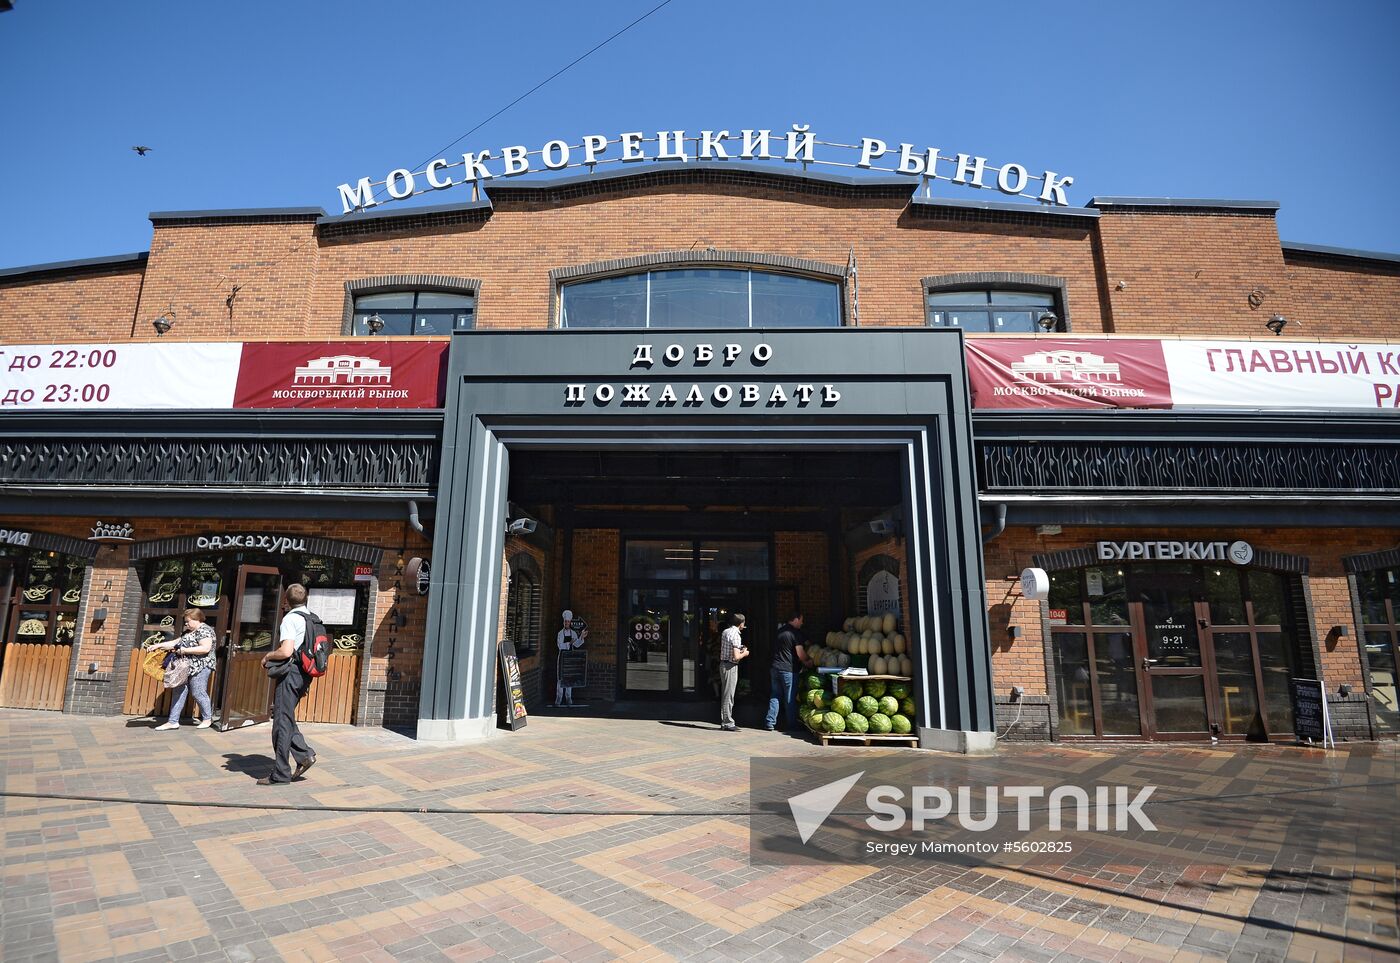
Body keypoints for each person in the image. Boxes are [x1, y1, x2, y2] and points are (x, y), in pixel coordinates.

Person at [257, 584, 317, 785]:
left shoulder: (291, 619)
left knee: (281, 724)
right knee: (286, 716)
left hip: (290, 674)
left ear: (286, 600)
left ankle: (281, 773)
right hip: (305, 674)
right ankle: (304, 755)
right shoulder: (312, 618)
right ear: (305, 599)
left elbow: (286, 651)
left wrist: (268, 656)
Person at [152, 608, 217, 731]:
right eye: (185, 621)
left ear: (197, 619)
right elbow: (176, 642)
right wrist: (159, 645)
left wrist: (184, 650)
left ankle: (207, 718)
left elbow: (205, 648)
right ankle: (173, 721)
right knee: (179, 691)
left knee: (198, 692)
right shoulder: (188, 632)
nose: (186, 624)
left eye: (188, 621)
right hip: (185, 666)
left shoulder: (205, 630)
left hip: (201, 666)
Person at [765, 611, 811, 732]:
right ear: (795, 619)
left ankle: (770, 722)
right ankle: (792, 725)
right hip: (788, 670)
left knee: (775, 695)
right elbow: (800, 654)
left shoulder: (779, 631)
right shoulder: (794, 633)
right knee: (789, 698)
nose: (802, 622)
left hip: (775, 668)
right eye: (801, 620)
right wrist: (808, 662)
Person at [718, 612, 748, 731]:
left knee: (726, 693)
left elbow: (729, 649)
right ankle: (727, 722)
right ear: (741, 624)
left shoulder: (726, 631)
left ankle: (725, 720)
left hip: (723, 664)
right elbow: (736, 656)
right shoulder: (736, 634)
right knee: (729, 695)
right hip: (730, 666)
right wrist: (744, 653)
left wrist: (740, 649)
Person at [555, 609, 587, 707]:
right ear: (563, 622)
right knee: (560, 678)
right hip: (562, 657)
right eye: (565, 622)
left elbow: (577, 644)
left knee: (570, 678)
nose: (567, 623)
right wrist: (569, 643)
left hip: (570, 658)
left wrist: (581, 637)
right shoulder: (560, 634)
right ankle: (558, 699)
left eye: (568, 622)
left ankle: (569, 698)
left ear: (570, 622)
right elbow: (560, 645)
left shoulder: (573, 633)